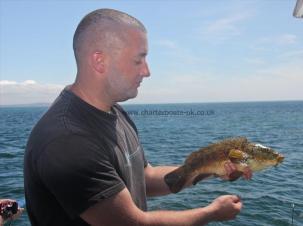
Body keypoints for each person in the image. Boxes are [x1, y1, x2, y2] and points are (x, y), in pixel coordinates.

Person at [24, 8, 252, 226]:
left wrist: (213, 168)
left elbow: (145, 177)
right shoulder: (67, 140)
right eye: (138, 60)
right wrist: (211, 213)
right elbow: (133, 224)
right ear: (99, 60)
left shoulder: (114, 112)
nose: (147, 71)